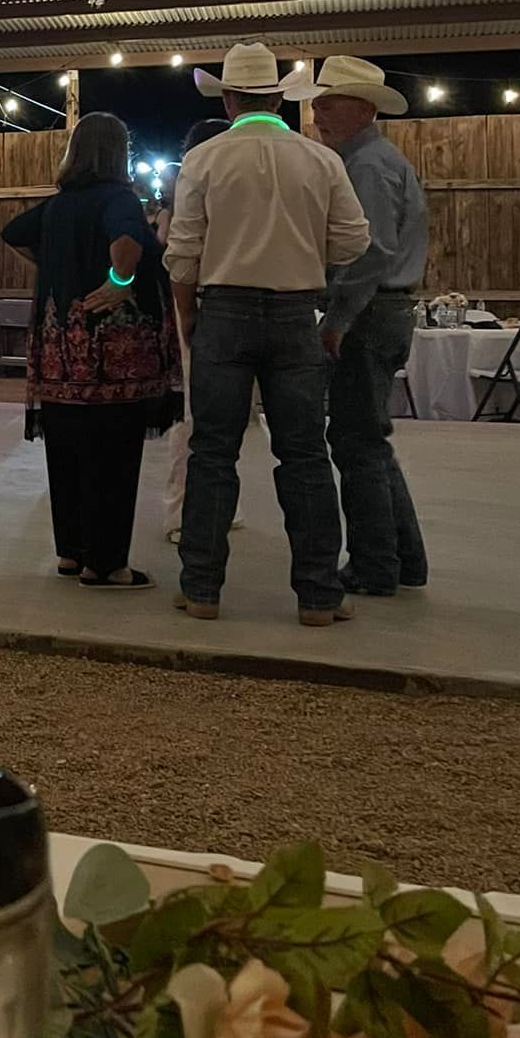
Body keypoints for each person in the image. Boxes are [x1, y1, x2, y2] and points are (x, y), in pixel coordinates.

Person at [164, 42, 370, 627]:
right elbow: (354, 241)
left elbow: (182, 254)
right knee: (304, 455)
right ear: (279, 98)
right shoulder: (319, 160)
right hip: (294, 314)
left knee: (211, 454)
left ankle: (202, 589)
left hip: (223, 312)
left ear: (228, 99)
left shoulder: (203, 160)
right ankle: (318, 597)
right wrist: (309, 253)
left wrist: (190, 315)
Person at [1, 112, 178, 593]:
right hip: (111, 356)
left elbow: (13, 232)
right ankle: (106, 565)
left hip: (59, 358)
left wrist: (58, 263)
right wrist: (119, 280)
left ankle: (71, 552)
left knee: (68, 454)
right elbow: (126, 242)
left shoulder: (60, 206)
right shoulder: (118, 198)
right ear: (117, 153)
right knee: (114, 457)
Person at [306, 55, 430, 596]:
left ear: (361, 108)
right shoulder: (377, 160)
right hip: (384, 310)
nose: (316, 112)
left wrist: (335, 319)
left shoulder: (366, 168)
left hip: (370, 312)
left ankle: (377, 566)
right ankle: (402, 560)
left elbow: (369, 253)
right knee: (369, 441)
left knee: (356, 442)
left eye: (328, 102)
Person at [158, 118, 231, 543]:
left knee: (207, 417)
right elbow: (175, 251)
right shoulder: (186, 194)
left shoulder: (196, 187)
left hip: (206, 302)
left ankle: (200, 506)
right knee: (199, 416)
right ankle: (184, 510)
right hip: (203, 303)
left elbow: (176, 251)